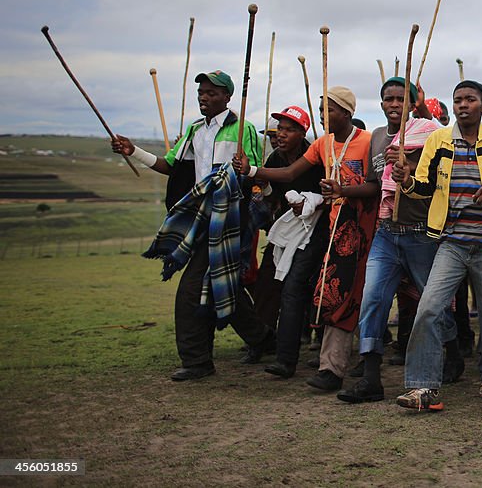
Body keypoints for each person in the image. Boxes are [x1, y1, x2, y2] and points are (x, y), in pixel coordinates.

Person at [111, 71, 274, 381]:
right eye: (201, 92)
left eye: (212, 92)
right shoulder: (195, 130)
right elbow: (170, 165)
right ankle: (265, 339)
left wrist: (244, 173)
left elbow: (255, 173)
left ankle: (197, 361)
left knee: (191, 289)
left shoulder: (244, 129)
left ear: (227, 96)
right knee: (223, 284)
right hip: (201, 217)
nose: (204, 97)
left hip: (229, 219)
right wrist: (134, 152)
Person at [391, 81, 482, 411]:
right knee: (429, 307)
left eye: (470, 99)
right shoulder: (438, 140)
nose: (463, 104)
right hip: (451, 242)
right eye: (458, 100)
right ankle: (422, 387)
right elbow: (422, 186)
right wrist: (406, 178)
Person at [233, 87, 378, 390]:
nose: (325, 116)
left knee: (367, 294)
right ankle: (325, 366)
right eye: (322, 110)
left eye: (331, 110)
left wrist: (343, 191)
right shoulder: (323, 145)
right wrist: (252, 170)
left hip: (365, 227)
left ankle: (369, 356)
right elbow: (287, 173)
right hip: (333, 228)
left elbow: (375, 187)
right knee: (332, 291)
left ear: (348, 112)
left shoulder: (367, 142)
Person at [337, 78, 460, 404]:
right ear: (380, 105)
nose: (394, 104)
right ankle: (371, 376)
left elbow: (437, 175)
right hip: (386, 232)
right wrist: (342, 190)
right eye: (388, 99)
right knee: (373, 299)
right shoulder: (377, 138)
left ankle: (453, 351)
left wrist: (409, 161)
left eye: (400, 99)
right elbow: (375, 184)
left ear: (410, 104)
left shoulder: (430, 133)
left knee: (432, 301)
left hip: (420, 231)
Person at [250, 107, 315, 337]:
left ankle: (307, 332)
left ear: (302, 133)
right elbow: (272, 199)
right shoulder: (275, 157)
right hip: (284, 230)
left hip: (313, 231)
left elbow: (292, 176)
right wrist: (264, 183)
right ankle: (262, 337)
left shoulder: (314, 155)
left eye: (289, 129)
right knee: (267, 281)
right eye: (279, 129)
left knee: (303, 283)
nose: (281, 134)